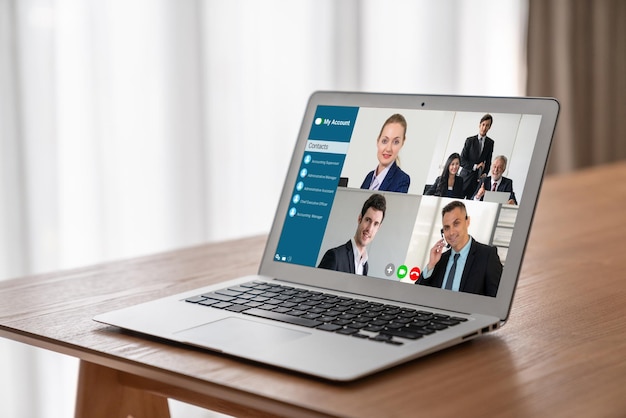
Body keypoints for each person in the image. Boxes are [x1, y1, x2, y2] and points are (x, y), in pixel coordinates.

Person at [416, 200, 502, 297]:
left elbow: (496, 300)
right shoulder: (440, 260)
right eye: (446, 228)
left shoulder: (487, 255)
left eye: (456, 223)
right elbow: (417, 295)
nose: (451, 232)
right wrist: (430, 265)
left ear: (467, 221)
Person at [318, 193, 386, 275]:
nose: (369, 229)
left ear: (378, 228)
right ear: (360, 219)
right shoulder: (335, 257)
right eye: (368, 220)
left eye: (375, 224)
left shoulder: (365, 266)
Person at [360, 114, 411, 193]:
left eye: (396, 142)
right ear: (378, 141)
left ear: (402, 143)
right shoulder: (369, 177)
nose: (388, 148)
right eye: (384, 141)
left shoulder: (401, 179)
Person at [459, 114, 495, 198]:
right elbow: (462, 160)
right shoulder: (469, 140)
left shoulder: (490, 143)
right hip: (465, 177)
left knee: (472, 202)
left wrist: (485, 173)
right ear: (479, 125)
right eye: (483, 124)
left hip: (477, 180)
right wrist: (475, 166)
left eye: (487, 125)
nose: (484, 127)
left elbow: (488, 161)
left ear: (489, 127)